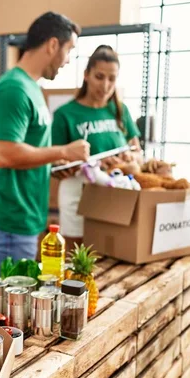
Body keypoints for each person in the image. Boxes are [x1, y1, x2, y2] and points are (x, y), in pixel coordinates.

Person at [0, 12, 90, 280]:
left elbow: (26, 149)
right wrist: (63, 150)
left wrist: (53, 163)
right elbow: (5, 154)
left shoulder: (31, 88)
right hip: (10, 217)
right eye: (68, 49)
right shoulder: (14, 89)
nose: (68, 59)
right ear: (52, 45)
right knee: (7, 314)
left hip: (22, 216)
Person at [51, 45, 142, 247]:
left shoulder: (120, 110)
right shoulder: (65, 114)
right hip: (78, 194)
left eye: (112, 79)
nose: (106, 85)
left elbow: (138, 154)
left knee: (112, 251)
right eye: (99, 77)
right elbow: (55, 162)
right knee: (76, 256)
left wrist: (129, 159)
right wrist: (88, 163)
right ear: (86, 75)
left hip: (115, 195)